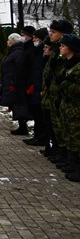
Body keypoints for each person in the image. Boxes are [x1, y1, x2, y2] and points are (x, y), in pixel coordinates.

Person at [42, 19, 74, 162]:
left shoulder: (65, 51)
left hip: (61, 95)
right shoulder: (55, 49)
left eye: (54, 32)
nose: (50, 34)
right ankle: (59, 151)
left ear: (63, 35)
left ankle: (65, 155)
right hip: (53, 93)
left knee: (65, 128)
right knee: (56, 125)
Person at [57, 34, 80, 181]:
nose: (60, 48)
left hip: (76, 108)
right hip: (68, 107)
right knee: (70, 136)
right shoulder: (67, 64)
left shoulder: (77, 66)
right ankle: (73, 164)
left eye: (63, 46)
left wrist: (65, 84)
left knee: (77, 138)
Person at [24, 28, 49, 146]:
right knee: (37, 113)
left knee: (40, 114)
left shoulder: (41, 52)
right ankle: (38, 135)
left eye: (36, 38)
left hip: (39, 86)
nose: (34, 40)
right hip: (35, 85)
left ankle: (41, 137)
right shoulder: (37, 51)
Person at [0, 33, 27, 134]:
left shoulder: (17, 52)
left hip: (14, 83)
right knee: (15, 103)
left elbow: (18, 69)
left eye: (8, 40)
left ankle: (23, 126)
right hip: (11, 82)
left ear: (12, 41)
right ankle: (21, 126)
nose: (7, 42)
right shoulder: (13, 52)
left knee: (18, 103)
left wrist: (13, 81)